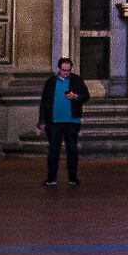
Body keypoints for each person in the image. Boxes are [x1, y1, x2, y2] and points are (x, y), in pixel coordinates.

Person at [37, 56, 90, 186]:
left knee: (72, 149)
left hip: (72, 121)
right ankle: (51, 178)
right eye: (64, 70)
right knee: (53, 150)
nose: (66, 73)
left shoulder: (76, 80)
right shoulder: (51, 82)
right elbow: (44, 102)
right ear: (59, 69)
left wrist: (75, 96)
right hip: (54, 121)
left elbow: (86, 96)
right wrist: (42, 121)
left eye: (68, 70)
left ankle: (73, 178)